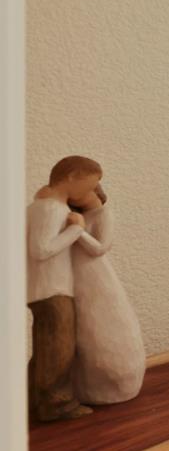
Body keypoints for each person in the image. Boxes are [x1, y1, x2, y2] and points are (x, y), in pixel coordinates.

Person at [27, 156, 102, 421]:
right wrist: (76, 230)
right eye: (89, 184)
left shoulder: (44, 206)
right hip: (52, 289)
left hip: (49, 288)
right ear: (71, 177)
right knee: (59, 347)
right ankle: (58, 404)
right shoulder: (50, 209)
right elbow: (40, 249)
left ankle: (35, 401)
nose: (90, 192)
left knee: (47, 346)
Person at [71, 184, 146, 404]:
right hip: (79, 277)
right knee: (84, 330)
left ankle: (115, 383)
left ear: (95, 190)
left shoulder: (104, 214)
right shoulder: (80, 215)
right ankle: (85, 385)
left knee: (103, 325)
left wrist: (77, 231)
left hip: (96, 277)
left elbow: (100, 247)